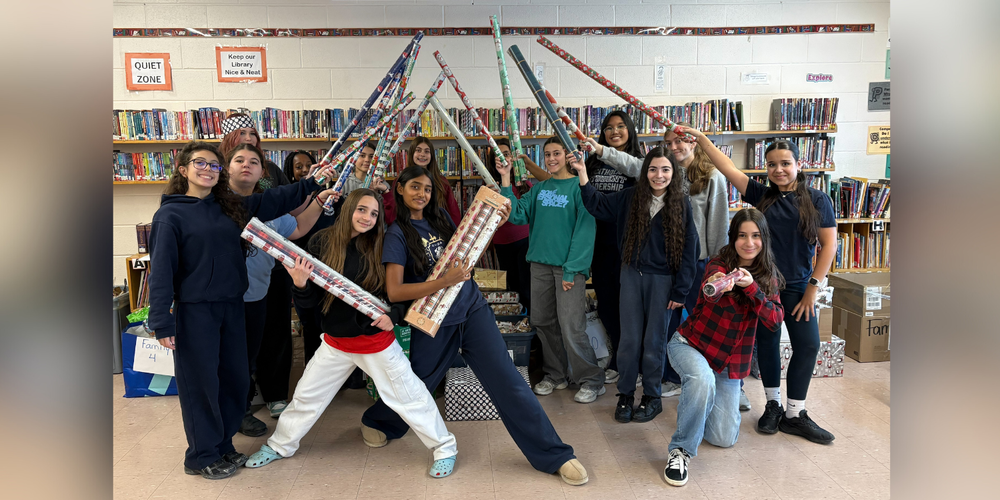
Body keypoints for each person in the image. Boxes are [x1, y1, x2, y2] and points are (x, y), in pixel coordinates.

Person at [360, 166, 590, 486]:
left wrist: (497, 220)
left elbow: (468, 253)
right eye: (414, 187)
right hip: (434, 321)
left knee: (509, 381)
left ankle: (556, 455)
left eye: (427, 189)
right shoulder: (397, 234)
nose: (421, 194)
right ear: (399, 188)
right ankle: (378, 421)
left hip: (472, 310)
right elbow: (396, 291)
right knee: (418, 382)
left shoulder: (441, 218)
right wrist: (444, 281)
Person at [147, 141, 333, 480]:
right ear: (183, 169)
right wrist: (161, 321)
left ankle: (222, 445)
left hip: (233, 306)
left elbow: (275, 200)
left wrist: (312, 183)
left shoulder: (230, 206)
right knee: (202, 384)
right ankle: (201, 455)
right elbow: (161, 270)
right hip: (196, 312)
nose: (207, 169)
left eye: (214, 165)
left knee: (234, 379)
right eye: (200, 163)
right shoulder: (170, 215)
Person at [244, 189, 459, 478]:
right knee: (306, 397)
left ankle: (445, 448)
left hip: (376, 343)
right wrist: (301, 285)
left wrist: (394, 317)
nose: (367, 218)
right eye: (361, 209)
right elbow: (311, 306)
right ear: (348, 210)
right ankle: (279, 445)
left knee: (411, 397)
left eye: (374, 213)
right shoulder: (322, 242)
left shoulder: (384, 246)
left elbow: (401, 292)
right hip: (336, 343)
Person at [706, 132, 838, 445]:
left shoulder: (817, 199)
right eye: (772, 164)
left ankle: (795, 413)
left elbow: (829, 245)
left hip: (799, 286)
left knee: (808, 345)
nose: (778, 170)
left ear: (798, 164)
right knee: (767, 344)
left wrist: (813, 287)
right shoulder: (762, 195)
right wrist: (701, 138)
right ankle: (773, 405)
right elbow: (727, 167)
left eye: (785, 163)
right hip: (765, 286)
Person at [574, 147, 698, 423]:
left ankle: (652, 396)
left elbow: (690, 249)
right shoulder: (630, 197)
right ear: (645, 172)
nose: (658, 175)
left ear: (674, 173)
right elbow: (597, 204)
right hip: (631, 276)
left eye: (665, 169)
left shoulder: (682, 203)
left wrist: (681, 290)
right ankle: (626, 395)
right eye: (652, 169)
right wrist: (582, 173)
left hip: (663, 281)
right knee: (629, 341)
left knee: (654, 341)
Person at [662, 208, 785, 487]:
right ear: (733, 238)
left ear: (764, 239)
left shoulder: (768, 278)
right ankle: (680, 451)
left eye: (755, 236)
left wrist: (751, 288)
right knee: (701, 379)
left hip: (728, 365)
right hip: (689, 346)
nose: (749, 242)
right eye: (742, 235)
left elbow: (775, 320)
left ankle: (697, 402)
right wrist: (720, 283)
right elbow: (711, 288)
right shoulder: (718, 263)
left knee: (723, 438)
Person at [226, 143, 334, 438]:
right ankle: (231, 415)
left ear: (262, 172)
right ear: (227, 168)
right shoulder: (217, 205)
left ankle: (241, 411)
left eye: (253, 162)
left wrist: (319, 200)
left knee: (249, 355)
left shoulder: (268, 207)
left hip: (256, 295)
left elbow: (297, 228)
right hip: (224, 298)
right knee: (230, 357)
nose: (246, 165)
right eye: (239, 160)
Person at [498, 138, 603, 404]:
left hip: (568, 268)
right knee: (543, 322)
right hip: (539, 266)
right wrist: (506, 179)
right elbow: (517, 215)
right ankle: (556, 374)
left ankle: (592, 379)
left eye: (557, 153)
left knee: (571, 326)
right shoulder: (540, 189)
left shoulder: (580, 188)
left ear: (568, 156)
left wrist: (572, 270)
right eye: (547, 154)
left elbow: (585, 232)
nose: (551, 159)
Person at [218, 114, 303, 431]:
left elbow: (288, 208)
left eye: (253, 133)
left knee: (271, 331)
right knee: (236, 343)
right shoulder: (217, 175)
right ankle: (238, 405)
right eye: (241, 134)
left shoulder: (271, 171)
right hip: (231, 275)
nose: (248, 138)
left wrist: (315, 200)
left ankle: (274, 394)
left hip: (270, 265)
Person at [580, 111, 645, 387]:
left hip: (627, 244)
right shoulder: (593, 162)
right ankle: (618, 359)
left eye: (620, 126)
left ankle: (635, 363)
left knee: (629, 307)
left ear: (630, 130)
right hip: (598, 243)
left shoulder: (639, 163)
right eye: (608, 127)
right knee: (606, 305)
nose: (614, 131)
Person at [484, 138, 533, 313]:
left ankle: (531, 321)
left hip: (525, 240)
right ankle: (519, 320)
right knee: (513, 286)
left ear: (512, 156)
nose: (503, 158)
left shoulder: (524, 183)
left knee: (527, 286)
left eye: (506, 154)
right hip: (502, 243)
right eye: (498, 155)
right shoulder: (489, 184)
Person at [382, 137, 461, 224]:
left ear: (432, 155)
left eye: (427, 151)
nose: (422, 154)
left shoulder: (441, 181)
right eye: (418, 150)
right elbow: (393, 214)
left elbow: (454, 213)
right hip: (409, 228)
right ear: (412, 153)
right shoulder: (401, 180)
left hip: (438, 228)